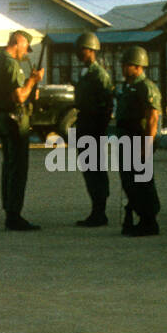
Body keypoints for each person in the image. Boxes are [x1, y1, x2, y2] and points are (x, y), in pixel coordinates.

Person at [0, 30, 44, 230]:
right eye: (25, 48)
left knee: (8, 165)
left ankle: (9, 210)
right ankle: (14, 215)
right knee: (18, 167)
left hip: (3, 119)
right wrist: (32, 81)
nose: (26, 53)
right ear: (18, 42)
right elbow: (19, 96)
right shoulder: (11, 64)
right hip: (15, 120)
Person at [113, 45, 161, 236]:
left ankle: (149, 220)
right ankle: (137, 216)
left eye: (127, 65)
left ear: (138, 66)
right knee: (129, 181)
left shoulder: (146, 87)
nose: (123, 69)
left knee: (143, 181)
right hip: (126, 139)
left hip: (139, 140)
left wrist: (146, 146)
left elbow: (152, 118)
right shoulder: (128, 86)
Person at [72, 31, 115, 227]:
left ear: (91, 50)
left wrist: (99, 131)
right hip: (84, 125)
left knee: (96, 170)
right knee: (88, 169)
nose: (79, 54)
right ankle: (95, 210)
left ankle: (100, 211)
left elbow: (107, 105)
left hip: (94, 128)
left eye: (82, 50)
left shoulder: (100, 75)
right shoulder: (85, 73)